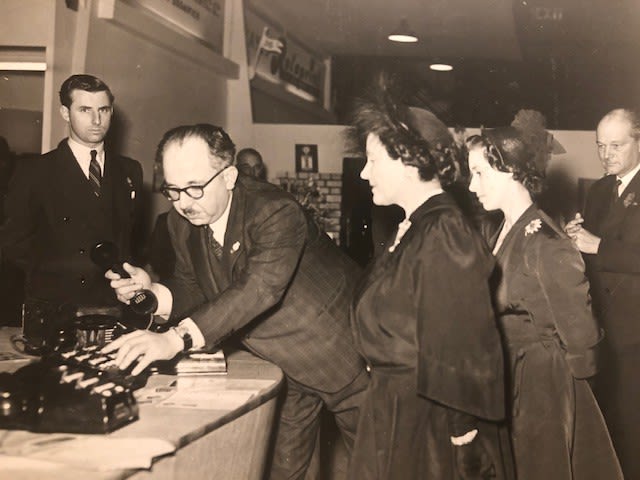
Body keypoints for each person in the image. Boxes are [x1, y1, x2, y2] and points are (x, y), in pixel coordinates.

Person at [102, 124, 368, 480]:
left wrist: (173, 339)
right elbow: (192, 287)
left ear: (228, 176)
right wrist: (149, 293)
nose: (183, 202)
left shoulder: (274, 211)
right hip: (283, 364)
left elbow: (258, 289)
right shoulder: (181, 225)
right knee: (282, 471)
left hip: (346, 356)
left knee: (382, 467)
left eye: (194, 188)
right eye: (172, 190)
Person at [347, 93, 512, 479]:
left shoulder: (444, 230)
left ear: (408, 161)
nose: (364, 174)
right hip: (395, 408)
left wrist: (463, 439)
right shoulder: (413, 226)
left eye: (373, 161)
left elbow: (461, 344)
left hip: (428, 423)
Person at [467, 127, 622, 480]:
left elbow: (582, 340)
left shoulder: (547, 243)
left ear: (510, 170)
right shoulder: (506, 229)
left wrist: (569, 394)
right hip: (513, 379)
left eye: (479, 173)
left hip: (540, 390)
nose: (472, 185)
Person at [0, 74, 143, 347]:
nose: (96, 120)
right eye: (85, 110)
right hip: (56, 309)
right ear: (65, 112)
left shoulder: (129, 170)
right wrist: (60, 271)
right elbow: (12, 242)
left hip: (112, 307)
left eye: (103, 110)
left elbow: (127, 238)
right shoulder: (35, 171)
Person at [564, 108, 640, 479]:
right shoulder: (598, 189)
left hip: (636, 334)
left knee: (633, 429)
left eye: (616, 145)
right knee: (608, 426)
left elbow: (603, 247)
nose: (606, 154)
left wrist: (599, 245)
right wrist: (574, 236)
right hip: (601, 329)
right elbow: (588, 246)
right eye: (600, 145)